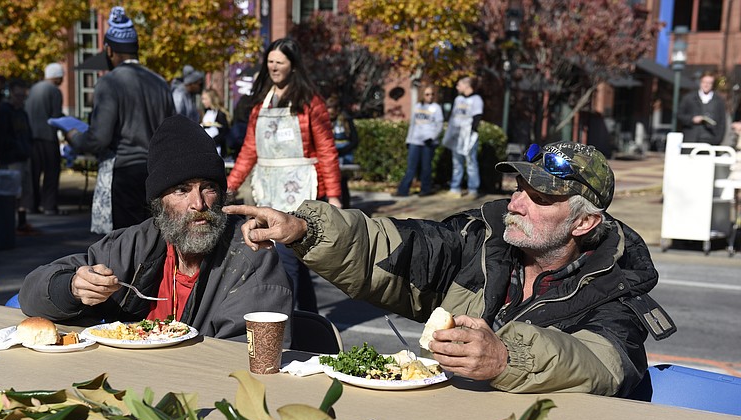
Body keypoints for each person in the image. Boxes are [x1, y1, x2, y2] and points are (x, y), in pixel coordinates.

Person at [224, 141, 677, 396]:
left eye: (539, 199)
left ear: (583, 222)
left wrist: (505, 357)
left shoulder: (621, 288)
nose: (515, 203)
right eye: (518, 187)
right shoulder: (480, 239)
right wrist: (306, 229)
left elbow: (602, 366)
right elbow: (397, 247)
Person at [19, 114, 293, 342]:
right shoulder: (135, 243)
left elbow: (245, 357)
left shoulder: (251, 259)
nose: (197, 203)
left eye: (208, 188)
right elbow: (31, 294)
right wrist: (72, 288)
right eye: (181, 190)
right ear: (159, 202)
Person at [227, 37, 342, 313]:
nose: (274, 67)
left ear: (293, 65)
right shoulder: (260, 105)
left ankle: (286, 320)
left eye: (280, 62)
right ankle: (310, 321)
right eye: (270, 62)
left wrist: (335, 195)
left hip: (301, 191)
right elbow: (249, 151)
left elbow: (327, 149)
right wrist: (229, 186)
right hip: (267, 188)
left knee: (286, 257)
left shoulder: (310, 102)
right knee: (294, 261)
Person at [63, 6, 175, 231]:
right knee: (156, 243)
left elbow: (99, 139)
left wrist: (73, 136)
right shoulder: (160, 83)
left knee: (125, 246)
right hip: (157, 173)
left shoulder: (110, 82)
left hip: (123, 173)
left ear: (109, 50)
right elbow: (172, 131)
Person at [0, 78, 35, 235]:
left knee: (25, 191)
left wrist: (28, 148)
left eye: (23, 96)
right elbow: (1, 136)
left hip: (23, 155)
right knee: (13, 192)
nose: (20, 98)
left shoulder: (22, 112)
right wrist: (12, 150)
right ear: (11, 94)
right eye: (18, 95)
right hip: (11, 158)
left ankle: (22, 222)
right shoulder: (5, 111)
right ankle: (9, 223)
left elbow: (27, 133)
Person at [26, 62, 64, 214]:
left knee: (33, 173)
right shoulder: (54, 91)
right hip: (48, 136)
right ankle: (49, 205)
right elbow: (55, 116)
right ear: (56, 78)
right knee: (51, 172)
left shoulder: (34, 88)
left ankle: (31, 205)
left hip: (31, 136)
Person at [396, 84, 444, 197]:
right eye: (427, 94)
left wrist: (432, 138)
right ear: (423, 95)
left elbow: (439, 126)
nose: (430, 96)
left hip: (428, 142)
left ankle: (425, 190)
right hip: (415, 141)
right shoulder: (418, 106)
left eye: (432, 94)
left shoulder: (436, 108)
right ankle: (403, 190)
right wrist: (408, 139)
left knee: (426, 167)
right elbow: (412, 124)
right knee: (411, 168)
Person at [442, 76, 483, 197]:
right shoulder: (458, 99)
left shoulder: (476, 99)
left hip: (469, 136)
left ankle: (473, 189)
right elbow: (453, 117)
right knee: (456, 162)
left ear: (466, 85)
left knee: (471, 162)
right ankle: (455, 188)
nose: (457, 87)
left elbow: (477, 117)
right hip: (457, 135)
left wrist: (470, 133)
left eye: (459, 84)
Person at [325, 95, 358, 209]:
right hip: (330, 155)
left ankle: (346, 209)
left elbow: (355, 140)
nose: (330, 113)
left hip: (344, 155)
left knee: (343, 183)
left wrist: (342, 150)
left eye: (332, 109)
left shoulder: (346, 120)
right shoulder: (324, 121)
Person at [678, 71, 727, 145]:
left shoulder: (718, 101)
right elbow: (679, 115)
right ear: (700, 82)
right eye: (704, 82)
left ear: (712, 84)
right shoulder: (689, 98)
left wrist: (718, 140)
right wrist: (692, 119)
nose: (706, 85)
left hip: (710, 140)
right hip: (691, 140)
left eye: (709, 83)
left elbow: (722, 122)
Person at [200, 87, 229, 156]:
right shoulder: (205, 112)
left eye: (205, 99)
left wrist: (211, 142)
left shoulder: (220, 114)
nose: (203, 102)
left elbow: (224, 132)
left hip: (216, 149)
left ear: (212, 99)